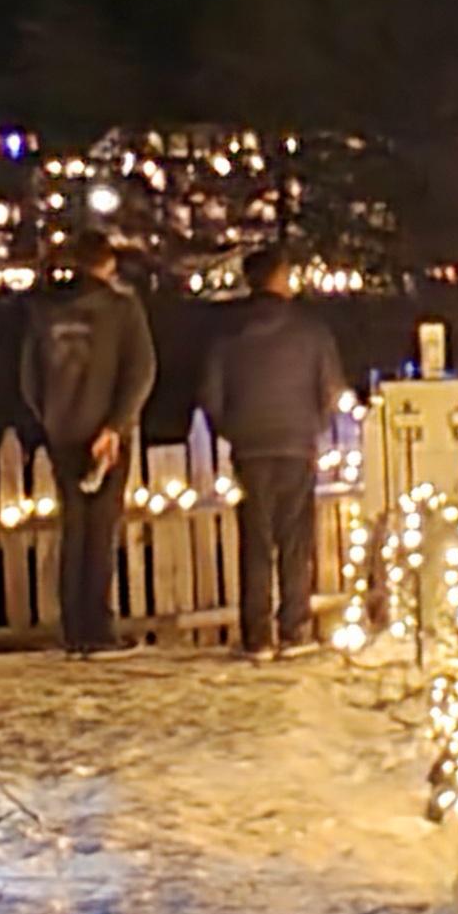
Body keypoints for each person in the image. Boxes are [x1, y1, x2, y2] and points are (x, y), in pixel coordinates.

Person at [198, 243, 349, 656]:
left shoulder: (227, 334)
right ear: (280, 277)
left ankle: (257, 633)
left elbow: (211, 395)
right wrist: (314, 425)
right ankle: (294, 627)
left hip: (250, 445)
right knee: (296, 538)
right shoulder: (310, 331)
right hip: (296, 442)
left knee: (256, 538)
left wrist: (233, 430)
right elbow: (331, 388)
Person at [19, 233, 154, 658]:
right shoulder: (121, 309)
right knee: (100, 530)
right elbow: (141, 370)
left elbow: (29, 378)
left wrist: (52, 418)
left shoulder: (44, 312)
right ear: (108, 262)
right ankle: (97, 628)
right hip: (106, 435)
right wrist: (115, 425)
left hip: (64, 431)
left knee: (73, 529)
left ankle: (72, 626)